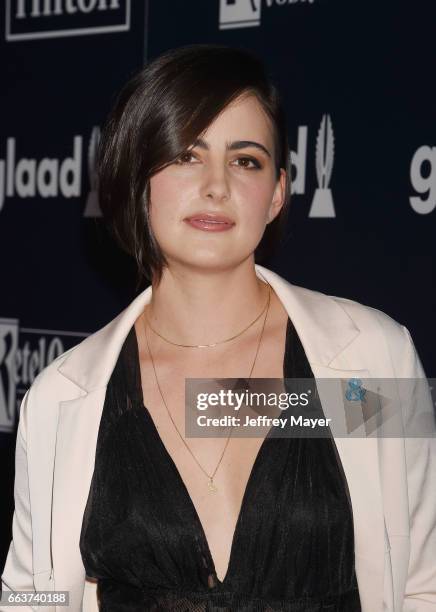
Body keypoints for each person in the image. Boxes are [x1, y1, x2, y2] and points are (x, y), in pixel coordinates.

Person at [1, 44, 435, 612]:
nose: (216, 184)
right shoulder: (64, 397)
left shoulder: (371, 362)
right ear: (137, 178)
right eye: (186, 155)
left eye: (245, 160)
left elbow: (423, 581)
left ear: (277, 191)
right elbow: (34, 597)